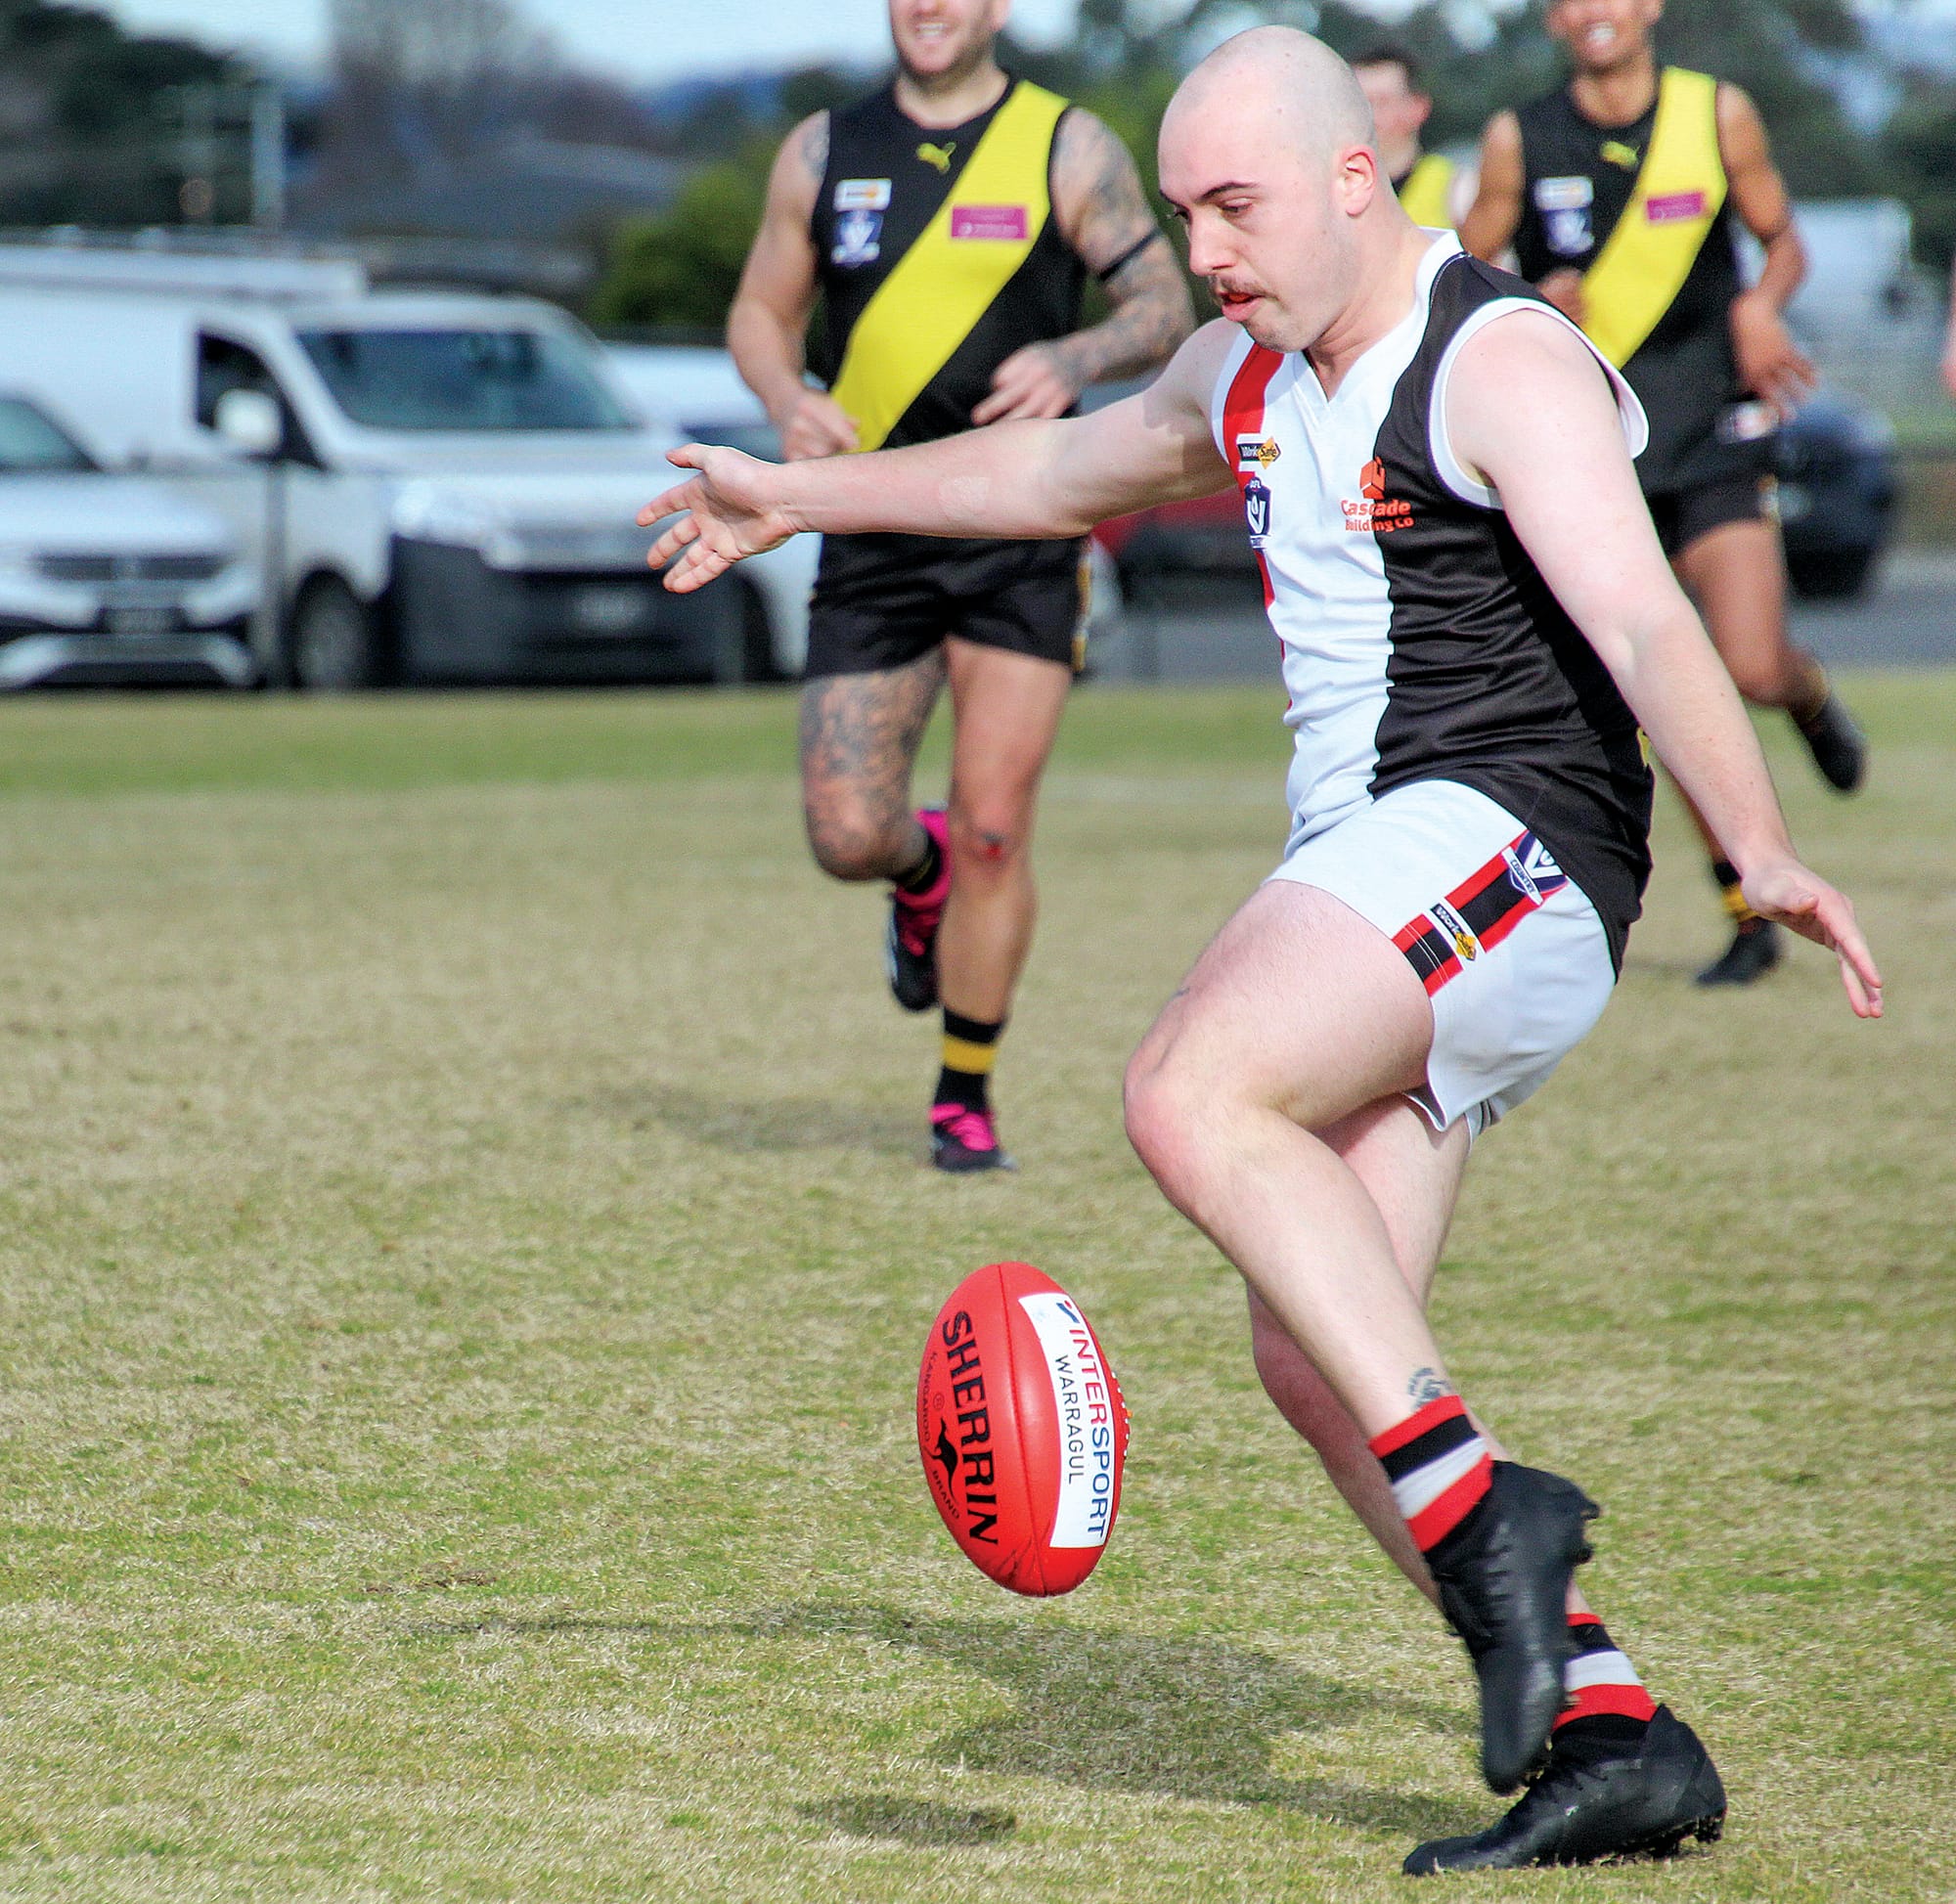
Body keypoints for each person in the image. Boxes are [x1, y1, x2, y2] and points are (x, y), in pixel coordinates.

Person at [644, 26, 1882, 1873]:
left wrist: (1759, 842)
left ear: (1355, 182)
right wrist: (787, 494)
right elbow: (1051, 476)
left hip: (1512, 843)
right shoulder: (1237, 365)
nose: (1204, 249)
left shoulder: (1499, 356)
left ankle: (1497, 1530)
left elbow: (1637, 611)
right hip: (1398, 871)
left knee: (1184, 1085)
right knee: (1319, 1348)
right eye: (1182, 212)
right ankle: (1619, 1730)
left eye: (1235, 206)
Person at [726, 0, 1192, 1173]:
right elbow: (758, 313)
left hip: (1024, 523)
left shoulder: (1064, 145)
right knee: (845, 833)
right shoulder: (823, 152)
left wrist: (1071, 356)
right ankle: (912, 876)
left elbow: (1161, 308)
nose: (927, 6)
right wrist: (786, 400)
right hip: (872, 518)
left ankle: (962, 1092)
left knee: (996, 827)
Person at [1460, 0, 1867, 989]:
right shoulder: (1521, 135)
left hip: (1711, 430)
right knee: (1656, 682)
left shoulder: (1713, 113)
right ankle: (1743, 910)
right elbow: (1458, 275)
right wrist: (1523, 298)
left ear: (1646, 8)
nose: (1593, 13)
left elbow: (1782, 244)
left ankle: (1803, 693)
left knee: (1748, 665)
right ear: (1552, 19)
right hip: (1591, 447)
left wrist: (1758, 307)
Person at [1352, 44, 1466, 229]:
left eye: (1381, 102)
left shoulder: (1456, 189)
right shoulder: (1334, 191)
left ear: (1418, 108)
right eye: (1357, 102)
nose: (1368, 115)